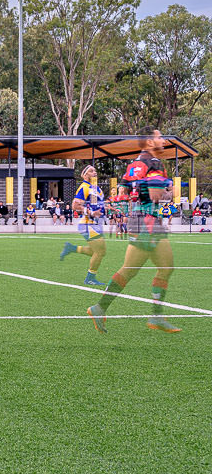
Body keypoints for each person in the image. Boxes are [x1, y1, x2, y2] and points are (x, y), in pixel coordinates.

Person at [87, 131, 181, 334]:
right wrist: (170, 190)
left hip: (139, 219)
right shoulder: (154, 163)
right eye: (159, 137)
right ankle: (152, 315)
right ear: (149, 142)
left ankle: (102, 308)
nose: (163, 140)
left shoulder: (133, 165)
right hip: (148, 222)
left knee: (139, 269)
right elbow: (157, 195)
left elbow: (123, 191)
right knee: (158, 268)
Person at [60, 165, 107, 286]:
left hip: (94, 224)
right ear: (85, 175)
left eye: (95, 171)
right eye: (91, 171)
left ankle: (72, 248)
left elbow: (96, 205)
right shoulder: (84, 187)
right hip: (87, 224)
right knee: (100, 251)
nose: (94, 172)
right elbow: (75, 206)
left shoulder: (96, 188)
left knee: (96, 251)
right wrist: (91, 212)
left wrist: (110, 207)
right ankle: (90, 278)